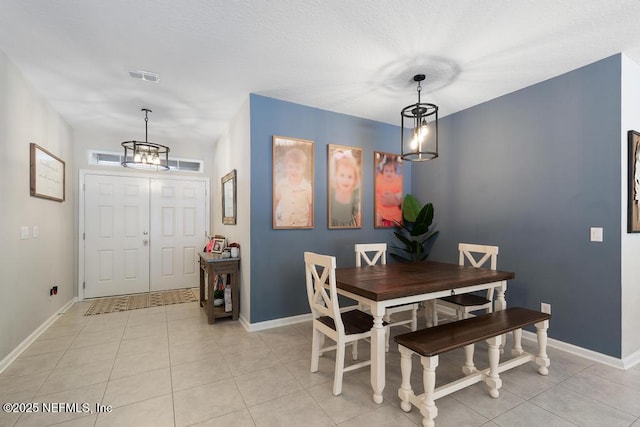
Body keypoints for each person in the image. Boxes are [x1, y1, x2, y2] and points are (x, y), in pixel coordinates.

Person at [274, 147, 312, 227]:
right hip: (284, 224)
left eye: (297, 167)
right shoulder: (281, 184)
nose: (293, 170)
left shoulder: (307, 187)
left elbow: (311, 205)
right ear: (286, 167)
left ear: (303, 169)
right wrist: (273, 219)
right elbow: (275, 201)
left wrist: (310, 220)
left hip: (302, 224)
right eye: (290, 166)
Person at [330, 149, 361, 227]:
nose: (345, 180)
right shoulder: (332, 192)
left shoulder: (354, 194)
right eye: (342, 175)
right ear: (336, 176)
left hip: (349, 227)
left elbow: (357, 214)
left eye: (350, 177)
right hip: (332, 226)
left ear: (355, 179)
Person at [375, 155, 402, 227]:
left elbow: (402, 193)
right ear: (382, 172)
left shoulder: (398, 181)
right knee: (376, 217)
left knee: (399, 221)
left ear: (395, 173)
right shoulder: (380, 179)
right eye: (386, 171)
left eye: (391, 171)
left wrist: (396, 197)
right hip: (381, 208)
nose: (388, 173)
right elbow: (375, 190)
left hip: (395, 209)